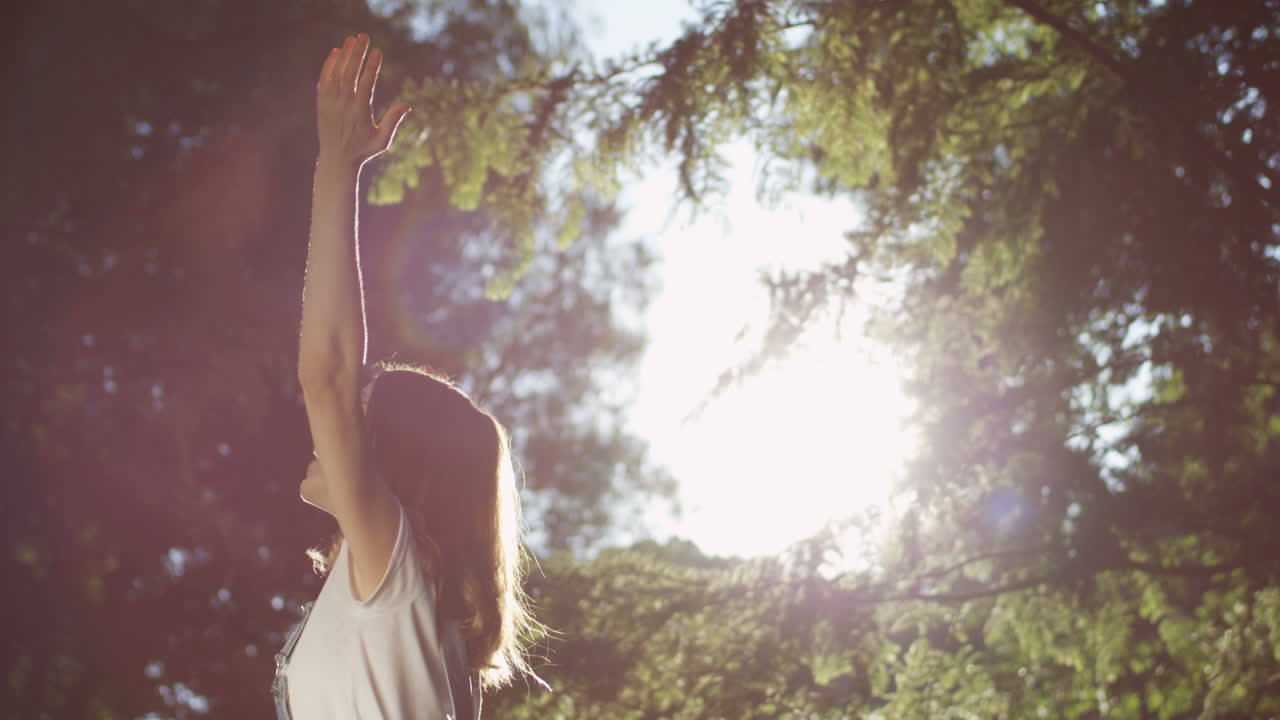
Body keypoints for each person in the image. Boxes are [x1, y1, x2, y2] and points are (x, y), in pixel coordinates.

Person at [271, 32, 546, 720]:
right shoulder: (407, 610)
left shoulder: (396, 580)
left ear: (397, 462)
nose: (328, 430)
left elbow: (327, 370)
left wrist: (336, 166)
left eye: (357, 418)